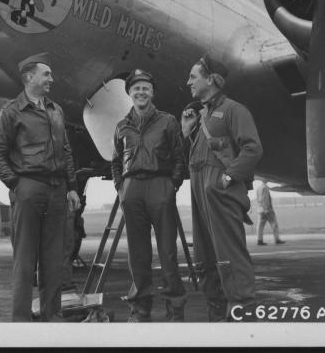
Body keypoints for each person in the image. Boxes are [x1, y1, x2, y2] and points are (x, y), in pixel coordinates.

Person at [0, 53, 81, 322]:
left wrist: (72, 187)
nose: (52, 79)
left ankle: (52, 316)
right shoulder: (10, 111)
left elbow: (65, 151)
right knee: (25, 260)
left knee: (55, 260)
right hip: (28, 189)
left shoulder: (56, 110)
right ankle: (21, 321)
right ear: (29, 77)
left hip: (57, 190)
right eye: (46, 74)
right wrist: (18, 184)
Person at [182, 55, 263, 321]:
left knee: (230, 255)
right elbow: (196, 157)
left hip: (220, 192)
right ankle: (217, 313)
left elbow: (253, 149)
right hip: (200, 192)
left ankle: (242, 312)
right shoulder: (201, 115)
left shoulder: (234, 110)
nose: (188, 82)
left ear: (210, 79)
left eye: (193, 76)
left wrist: (227, 178)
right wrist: (186, 133)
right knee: (204, 257)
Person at [111, 69, 187, 322]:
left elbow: (179, 158)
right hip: (132, 190)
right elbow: (114, 161)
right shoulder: (122, 126)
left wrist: (171, 185)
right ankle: (140, 308)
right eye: (136, 89)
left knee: (167, 252)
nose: (141, 92)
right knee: (137, 253)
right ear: (130, 93)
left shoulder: (168, 121)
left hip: (160, 186)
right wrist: (121, 188)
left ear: (152, 92)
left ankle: (175, 307)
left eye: (145, 88)